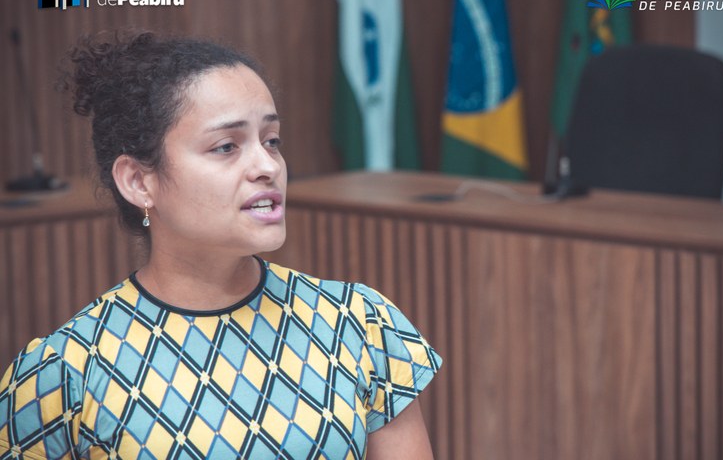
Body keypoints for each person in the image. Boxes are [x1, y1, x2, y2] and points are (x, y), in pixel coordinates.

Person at [0, 31, 442, 459]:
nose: (268, 166)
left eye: (271, 141)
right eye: (227, 146)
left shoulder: (358, 322)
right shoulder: (65, 370)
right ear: (138, 181)